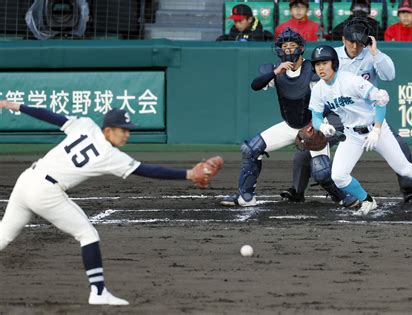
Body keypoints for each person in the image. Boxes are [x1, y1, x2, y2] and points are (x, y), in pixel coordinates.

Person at [0, 101, 221, 305]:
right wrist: (188, 174)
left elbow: (50, 116)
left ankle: (99, 292)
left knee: (3, 236)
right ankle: (98, 293)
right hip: (45, 192)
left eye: (128, 130)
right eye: (122, 129)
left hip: (27, 179)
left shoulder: (85, 125)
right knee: (88, 235)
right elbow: (147, 170)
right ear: (108, 130)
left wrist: (15, 105)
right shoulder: (110, 155)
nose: (127, 134)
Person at [282, 18, 412, 205]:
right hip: (337, 113)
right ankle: (297, 190)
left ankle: (408, 189)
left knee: (401, 146)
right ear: (343, 39)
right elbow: (314, 75)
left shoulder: (372, 55)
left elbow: (390, 75)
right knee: (307, 145)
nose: (355, 46)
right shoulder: (333, 55)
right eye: (350, 41)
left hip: (368, 114)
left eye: (359, 42)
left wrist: (375, 52)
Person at [220, 28, 357, 208]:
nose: (288, 50)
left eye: (292, 46)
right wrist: (276, 72)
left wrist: (319, 124)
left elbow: (330, 98)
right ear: (279, 49)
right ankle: (246, 197)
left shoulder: (312, 70)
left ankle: (342, 196)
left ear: (300, 48)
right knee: (250, 149)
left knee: (322, 172)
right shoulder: (276, 70)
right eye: (285, 46)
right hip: (290, 125)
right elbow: (255, 85)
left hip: (312, 125)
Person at [308, 45, 412, 216]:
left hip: (376, 129)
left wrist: (376, 130)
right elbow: (315, 116)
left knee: (404, 169)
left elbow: (381, 99)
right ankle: (367, 201)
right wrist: (322, 126)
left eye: (324, 63)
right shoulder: (318, 89)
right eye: (317, 64)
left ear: (334, 63)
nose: (321, 68)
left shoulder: (350, 81)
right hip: (352, 134)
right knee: (338, 176)